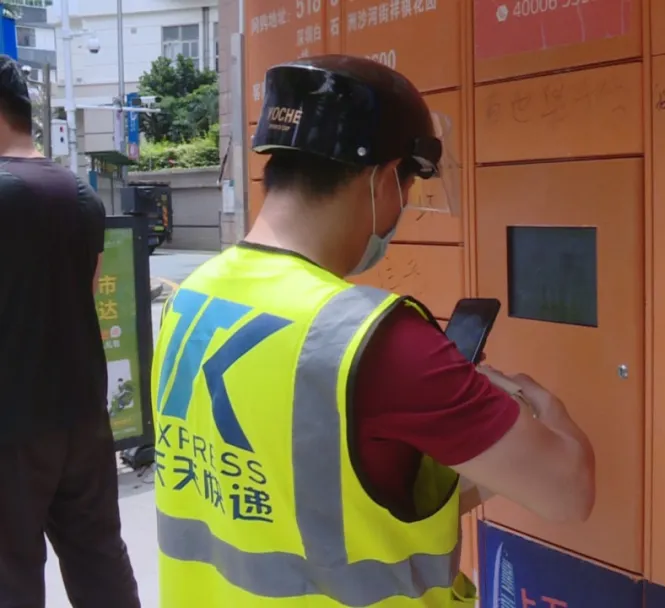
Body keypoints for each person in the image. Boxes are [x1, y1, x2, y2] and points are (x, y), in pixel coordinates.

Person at [151, 54, 595, 607]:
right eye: (407, 188)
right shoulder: (377, 341)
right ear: (384, 180)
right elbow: (568, 493)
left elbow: (312, 497)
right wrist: (547, 409)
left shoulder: (192, 296)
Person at [0, 55, 141, 607]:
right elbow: (86, 290)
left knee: (10, 576)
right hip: (82, 418)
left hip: (11, 427)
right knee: (99, 559)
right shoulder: (81, 194)